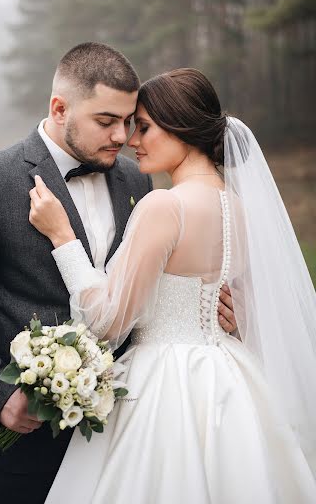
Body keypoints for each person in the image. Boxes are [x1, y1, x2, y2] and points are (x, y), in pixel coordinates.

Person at [0, 43, 238, 504]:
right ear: (60, 108)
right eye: (106, 122)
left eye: (129, 121)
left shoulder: (137, 181)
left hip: (131, 427)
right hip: (25, 438)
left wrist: (223, 305)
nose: (121, 136)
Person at [28, 68, 316, 503]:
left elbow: (107, 324)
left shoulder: (165, 205)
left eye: (142, 126)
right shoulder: (239, 206)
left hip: (163, 385)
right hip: (229, 375)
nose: (131, 139)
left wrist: (63, 239)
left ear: (181, 127)